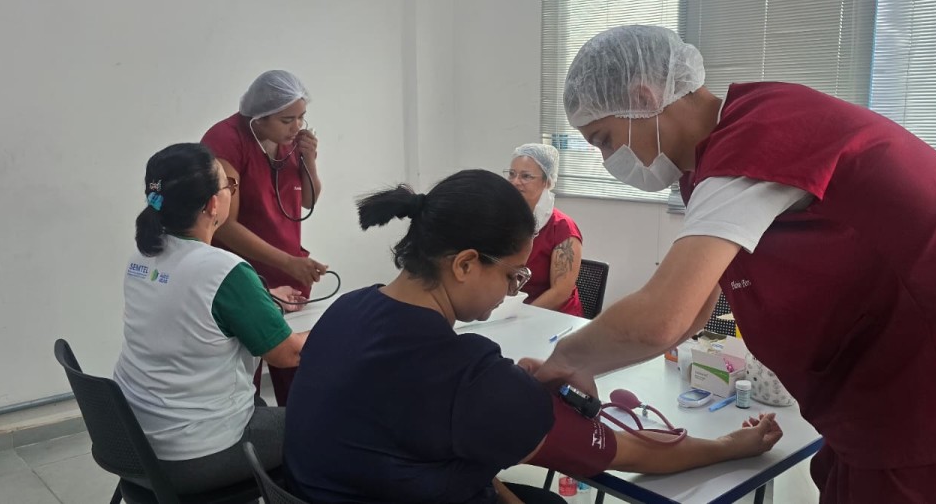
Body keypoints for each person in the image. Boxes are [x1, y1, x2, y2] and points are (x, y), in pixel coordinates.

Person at [530, 25, 936, 504]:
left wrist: (566, 360)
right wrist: (587, 365)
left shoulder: (754, 144)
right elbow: (693, 312)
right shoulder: (722, 154)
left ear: (643, 98)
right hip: (884, 383)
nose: (608, 161)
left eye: (604, 140)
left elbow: (663, 315)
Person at [283, 170, 783, 504]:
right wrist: (730, 446)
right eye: (513, 275)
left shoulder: (348, 309)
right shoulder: (467, 377)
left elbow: (414, 433)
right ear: (464, 264)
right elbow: (634, 453)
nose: (515, 290)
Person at [113, 143, 307, 494]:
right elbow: (289, 354)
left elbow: (189, 306)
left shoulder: (143, 255)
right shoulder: (223, 270)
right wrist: (340, 326)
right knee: (327, 424)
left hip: (134, 445)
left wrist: (259, 298)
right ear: (212, 205)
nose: (232, 190)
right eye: (228, 185)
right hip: (195, 453)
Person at [202, 70, 326, 405]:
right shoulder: (226, 140)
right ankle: (254, 432)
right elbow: (223, 224)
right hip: (244, 274)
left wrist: (309, 161)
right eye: (287, 120)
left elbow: (308, 200)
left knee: (297, 372)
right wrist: (288, 263)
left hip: (291, 270)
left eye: (301, 117)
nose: (297, 127)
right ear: (259, 117)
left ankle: (296, 431)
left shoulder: (292, 143)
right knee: (247, 374)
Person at [506, 143, 584, 316]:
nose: (515, 182)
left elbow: (560, 292)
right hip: (513, 311)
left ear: (547, 182)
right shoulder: (505, 220)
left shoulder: (562, 227)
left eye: (526, 176)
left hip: (555, 317)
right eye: (511, 174)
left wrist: (520, 316)